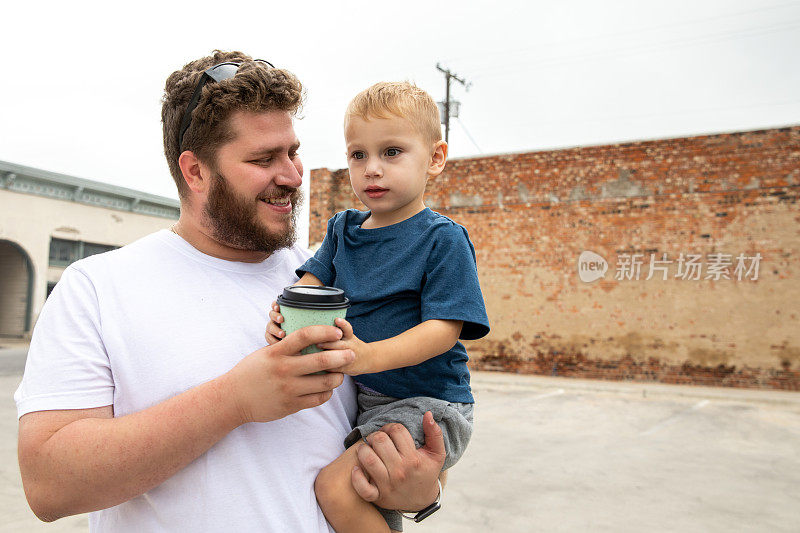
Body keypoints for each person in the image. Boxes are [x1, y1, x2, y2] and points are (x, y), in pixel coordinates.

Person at [14, 51, 445, 533]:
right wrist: (234, 400)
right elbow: (48, 485)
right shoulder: (95, 289)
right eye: (264, 159)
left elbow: (395, 427)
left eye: (292, 152)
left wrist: (421, 492)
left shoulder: (332, 279)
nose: (292, 175)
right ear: (195, 172)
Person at [266, 81, 490, 532]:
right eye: (358, 155)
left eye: (391, 152)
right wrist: (285, 318)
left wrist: (366, 355)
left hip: (428, 402)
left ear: (436, 159)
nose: (372, 169)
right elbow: (310, 285)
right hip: (369, 402)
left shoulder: (442, 239)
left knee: (336, 488)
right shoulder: (343, 230)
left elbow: (443, 329)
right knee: (374, 502)